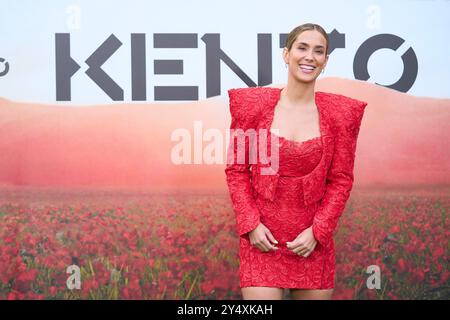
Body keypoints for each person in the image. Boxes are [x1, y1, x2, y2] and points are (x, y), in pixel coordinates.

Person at [225, 23, 368, 300]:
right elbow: (237, 170)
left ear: (325, 62)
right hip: (262, 241)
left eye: (319, 51)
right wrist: (251, 224)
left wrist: (318, 231)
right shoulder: (251, 106)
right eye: (302, 48)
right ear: (286, 54)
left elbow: (340, 180)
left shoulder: (341, 115)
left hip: (312, 243)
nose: (309, 57)